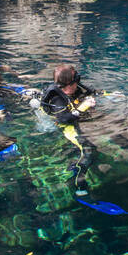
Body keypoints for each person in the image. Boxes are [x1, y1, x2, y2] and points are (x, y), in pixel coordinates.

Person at [37, 64, 98, 195]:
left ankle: (74, 163)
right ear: (69, 84)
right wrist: (83, 107)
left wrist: (109, 95)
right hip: (65, 126)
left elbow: (91, 92)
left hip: (69, 116)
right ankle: (78, 184)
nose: (78, 81)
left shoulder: (73, 88)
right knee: (89, 150)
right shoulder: (57, 99)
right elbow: (63, 119)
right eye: (76, 78)